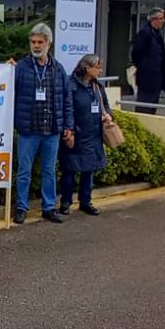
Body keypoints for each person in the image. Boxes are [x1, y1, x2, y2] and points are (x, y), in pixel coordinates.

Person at [11, 23, 73, 225]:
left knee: (49, 171)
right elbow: (7, 89)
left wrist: (68, 126)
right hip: (28, 130)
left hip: (51, 130)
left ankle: (48, 208)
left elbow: (67, 99)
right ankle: (21, 208)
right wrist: (6, 70)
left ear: (48, 44)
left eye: (40, 42)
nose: (36, 46)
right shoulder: (20, 67)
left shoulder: (58, 69)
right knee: (24, 172)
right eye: (33, 42)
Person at [59, 53, 110, 217]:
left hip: (93, 135)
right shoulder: (71, 84)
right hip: (76, 134)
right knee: (70, 170)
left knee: (89, 170)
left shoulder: (97, 87)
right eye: (98, 67)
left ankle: (86, 201)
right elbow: (67, 109)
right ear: (87, 68)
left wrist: (108, 116)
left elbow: (106, 106)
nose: (100, 70)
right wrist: (70, 130)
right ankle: (65, 202)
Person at [128, 8, 165, 114]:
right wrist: (143, 66)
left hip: (157, 76)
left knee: (153, 106)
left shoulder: (158, 34)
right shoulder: (145, 33)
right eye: (161, 18)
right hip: (146, 77)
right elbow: (136, 53)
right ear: (153, 20)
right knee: (144, 105)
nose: (163, 21)